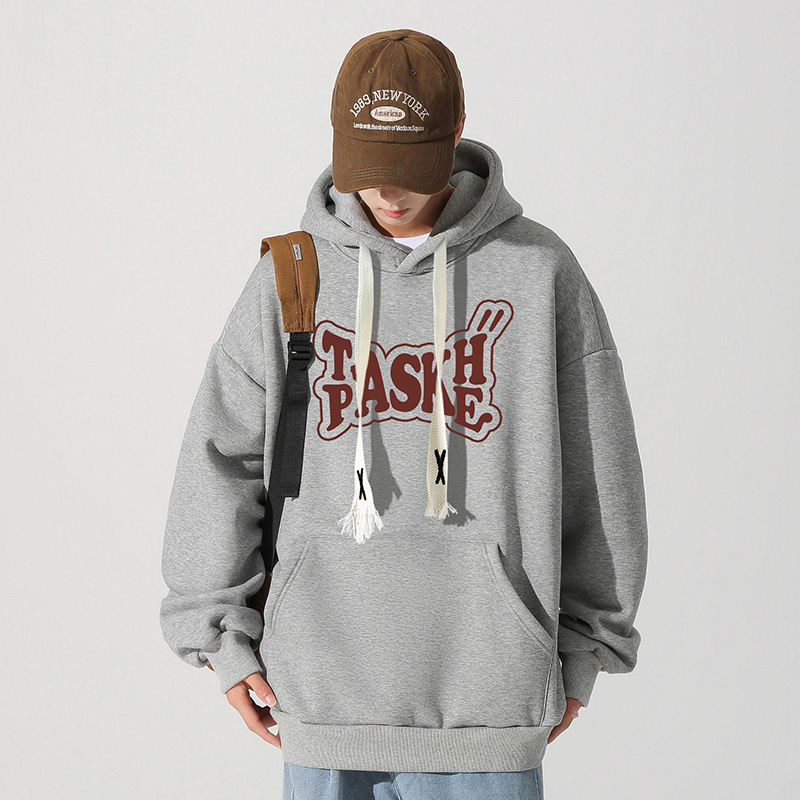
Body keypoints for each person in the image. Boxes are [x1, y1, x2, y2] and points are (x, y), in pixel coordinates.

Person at [159, 28, 648, 800]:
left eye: (409, 167)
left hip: (490, 696)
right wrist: (221, 638)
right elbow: (221, 459)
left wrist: (589, 646)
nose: (388, 193)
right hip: (320, 692)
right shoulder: (293, 275)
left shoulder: (539, 272)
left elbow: (600, 471)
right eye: (370, 167)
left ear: (456, 133)